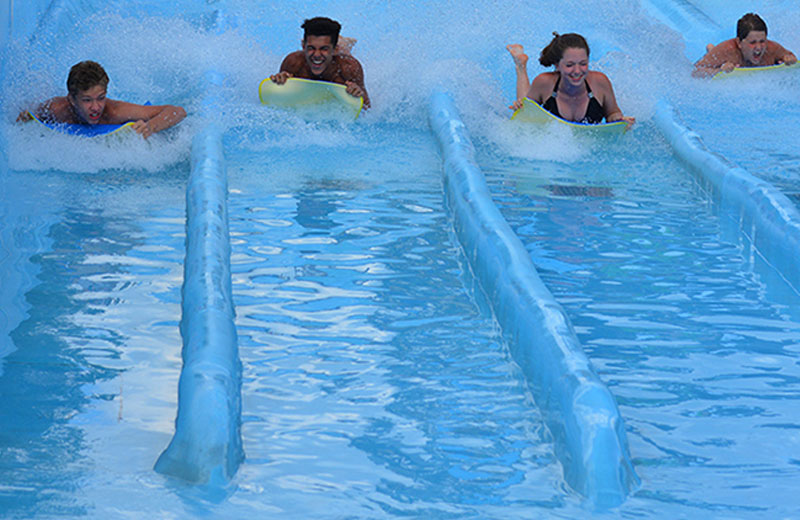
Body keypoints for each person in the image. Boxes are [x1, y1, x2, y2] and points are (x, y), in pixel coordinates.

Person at [16, 60, 186, 138]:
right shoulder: (57, 109)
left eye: (101, 98)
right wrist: (25, 118)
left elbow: (177, 111)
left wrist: (150, 127)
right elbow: (29, 115)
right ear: (72, 100)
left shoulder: (114, 111)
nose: (96, 107)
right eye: (87, 100)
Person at [508, 33, 634, 127]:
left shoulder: (599, 82)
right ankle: (521, 66)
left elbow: (612, 112)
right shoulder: (545, 82)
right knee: (522, 104)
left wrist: (619, 121)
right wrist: (520, 107)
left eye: (583, 63)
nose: (577, 71)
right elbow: (526, 116)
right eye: (570, 65)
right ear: (557, 65)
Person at [269, 17, 370, 108]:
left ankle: (345, 42)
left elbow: (367, 107)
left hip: (338, 54)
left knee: (344, 49)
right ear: (303, 47)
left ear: (335, 50)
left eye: (324, 48)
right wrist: (281, 81)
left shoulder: (349, 68)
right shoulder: (293, 63)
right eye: (311, 48)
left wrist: (357, 94)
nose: (316, 54)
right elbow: (281, 98)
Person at [692, 13, 797, 78]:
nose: (759, 47)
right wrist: (719, 71)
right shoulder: (727, 51)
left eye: (762, 41)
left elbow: (793, 59)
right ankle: (711, 49)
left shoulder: (772, 49)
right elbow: (696, 72)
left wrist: (789, 59)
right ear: (739, 43)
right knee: (715, 54)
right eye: (752, 42)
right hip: (720, 55)